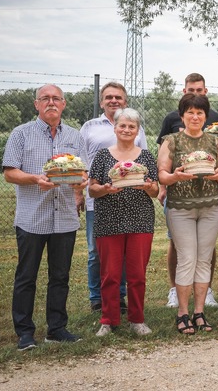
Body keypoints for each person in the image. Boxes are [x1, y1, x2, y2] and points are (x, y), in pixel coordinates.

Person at [2, 84, 86, 351]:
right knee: (27, 276)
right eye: (45, 99)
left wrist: (80, 182)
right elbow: (9, 172)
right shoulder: (21, 134)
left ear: (63, 104)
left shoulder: (74, 135)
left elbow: (82, 172)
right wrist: (36, 178)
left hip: (64, 219)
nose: (51, 103)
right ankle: (25, 332)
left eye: (56, 99)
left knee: (60, 276)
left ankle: (57, 328)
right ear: (36, 104)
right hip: (32, 218)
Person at [158, 93, 218, 334]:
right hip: (180, 208)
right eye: (190, 112)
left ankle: (199, 312)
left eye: (199, 113)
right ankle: (182, 313)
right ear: (182, 116)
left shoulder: (215, 142)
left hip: (211, 206)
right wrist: (175, 176)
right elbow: (162, 175)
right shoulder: (171, 141)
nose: (195, 116)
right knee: (187, 258)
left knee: (204, 258)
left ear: (205, 117)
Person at [88, 108, 158, 337]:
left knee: (137, 274)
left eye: (132, 127)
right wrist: (105, 189)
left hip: (140, 220)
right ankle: (108, 320)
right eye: (123, 126)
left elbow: (156, 191)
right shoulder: (102, 156)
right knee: (110, 274)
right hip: (109, 220)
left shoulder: (146, 156)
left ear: (138, 131)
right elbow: (92, 189)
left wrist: (148, 187)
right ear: (115, 128)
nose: (127, 130)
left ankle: (137, 319)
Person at [80, 82, 147, 313]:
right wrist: (80, 192)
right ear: (101, 102)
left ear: (125, 101)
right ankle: (97, 297)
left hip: (132, 199)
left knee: (125, 254)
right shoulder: (89, 127)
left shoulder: (136, 125)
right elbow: (81, 164)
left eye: (118, 97)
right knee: (96, 251)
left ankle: (119, 296)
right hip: (98, 199)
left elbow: (144, 163)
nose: (113, 100)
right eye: (108, 97)